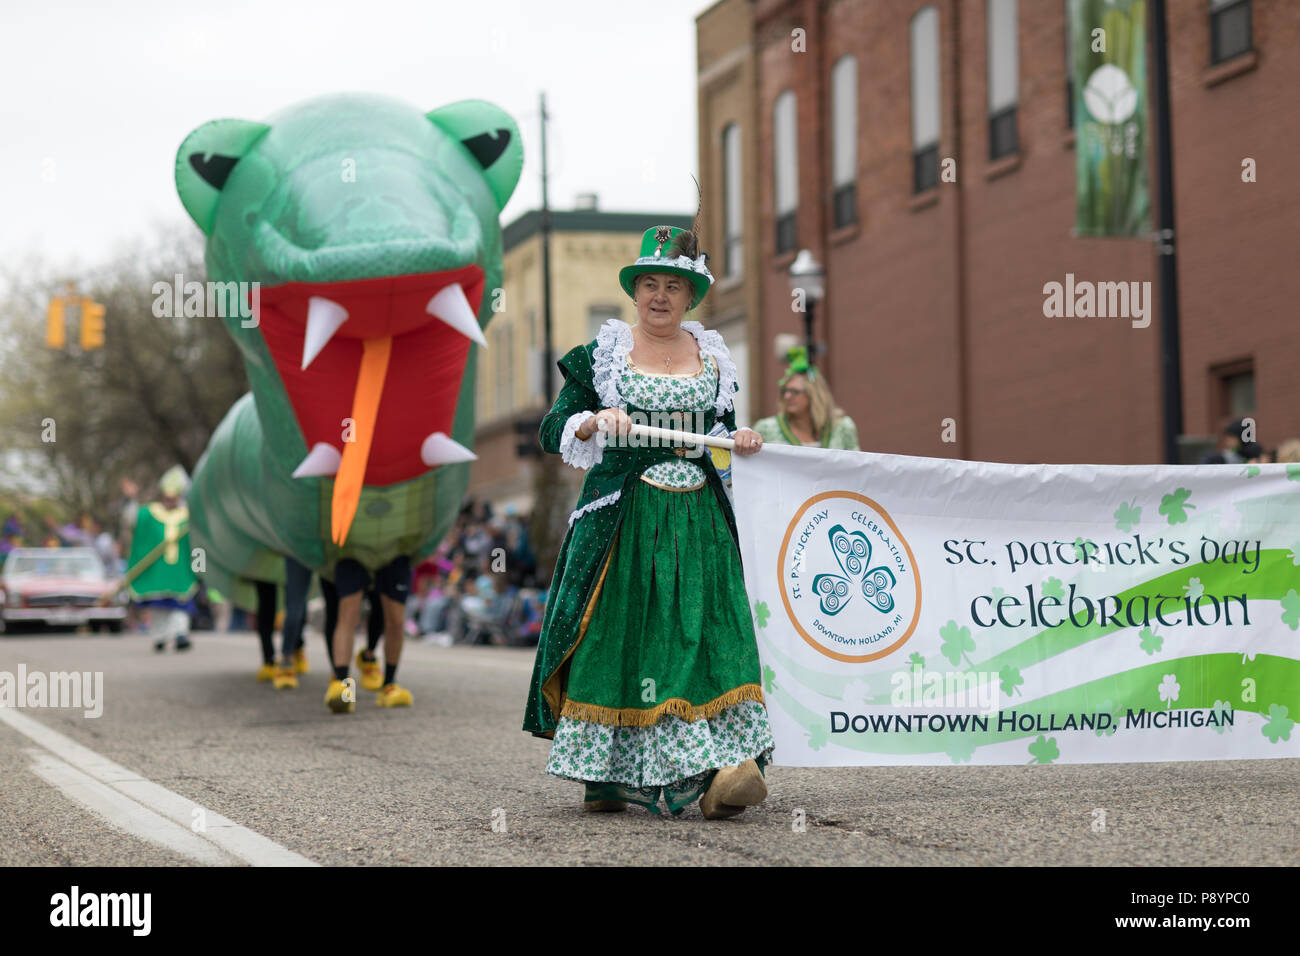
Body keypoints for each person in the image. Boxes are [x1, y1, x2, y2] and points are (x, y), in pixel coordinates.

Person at [523, 222, 773, 820]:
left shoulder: (713, 357)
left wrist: (737, 438)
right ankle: (609, 771)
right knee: (624, 634)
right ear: (636, 292)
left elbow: (716, 432)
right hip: (626, 517)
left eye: (673, 286)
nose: (660, 296)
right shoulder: (601, 356)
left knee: (711, 630)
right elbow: (551, 426)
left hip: (701, 519)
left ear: (691, 296)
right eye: (649, 284)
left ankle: (724, 766)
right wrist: (589, 423)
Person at [122, 466, 198, 652]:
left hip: (181, 571)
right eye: (167, 497)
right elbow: (131, 519)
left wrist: (201, 571)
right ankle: (160, 637)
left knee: (180, 606)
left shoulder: (190, 515)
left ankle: (180, 635)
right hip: (156, 571)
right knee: (158, 609)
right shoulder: (150, 514)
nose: (170, 501)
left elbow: (199, 545)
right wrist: (130, 499)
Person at [323, 556, 413, 712]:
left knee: (396, 620)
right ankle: (343, 685)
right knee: (347, 615)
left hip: (394, 551)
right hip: (353, 548)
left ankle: (389, 684)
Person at [752, 347, 860, 449]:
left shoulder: (843, 427)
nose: (787, 396)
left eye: (794, 391)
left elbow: (856, 464)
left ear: (814, 395)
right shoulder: (766, 429)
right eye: (785, 391)